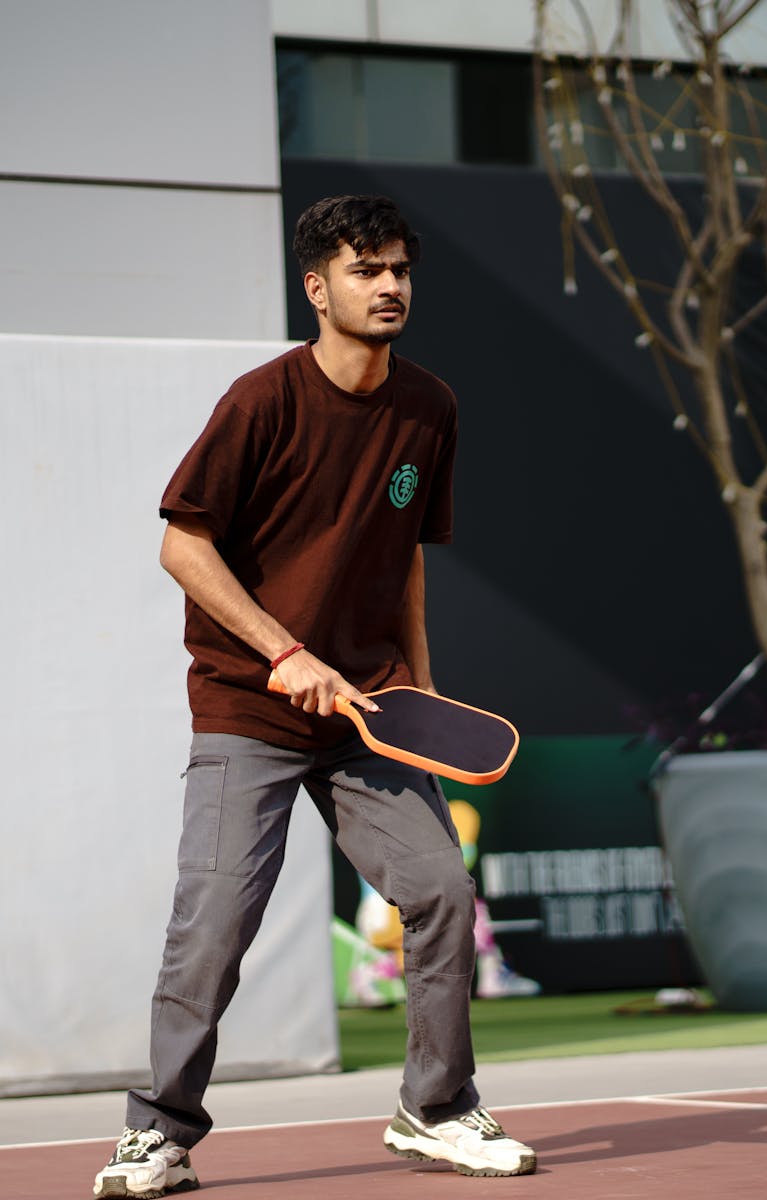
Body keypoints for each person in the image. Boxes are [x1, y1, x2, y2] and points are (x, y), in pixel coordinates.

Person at [93, 194, 537, 1198]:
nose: (388, 288)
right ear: (317, 287)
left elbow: (407, 561)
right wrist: (281, 650)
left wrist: (417, 694)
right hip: (248, 710)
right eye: (365, 271)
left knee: (439, 893)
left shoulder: (430, 407)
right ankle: (157, 1134)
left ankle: (433, 1110)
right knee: (212, 928)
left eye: (398, 271)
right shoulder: (260, 402)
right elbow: (183, 544)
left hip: (367, 716)